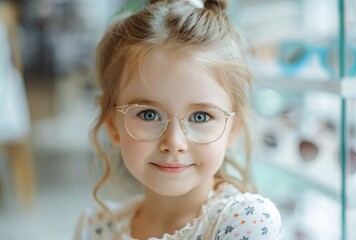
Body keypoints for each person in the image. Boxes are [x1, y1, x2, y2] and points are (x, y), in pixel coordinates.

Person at [73, 0, 282, 239]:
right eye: (148, 114)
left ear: (233, 128)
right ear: (112, 124)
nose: (173, 142)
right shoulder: (95, 226)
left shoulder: (246, 220)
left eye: (201, 116)